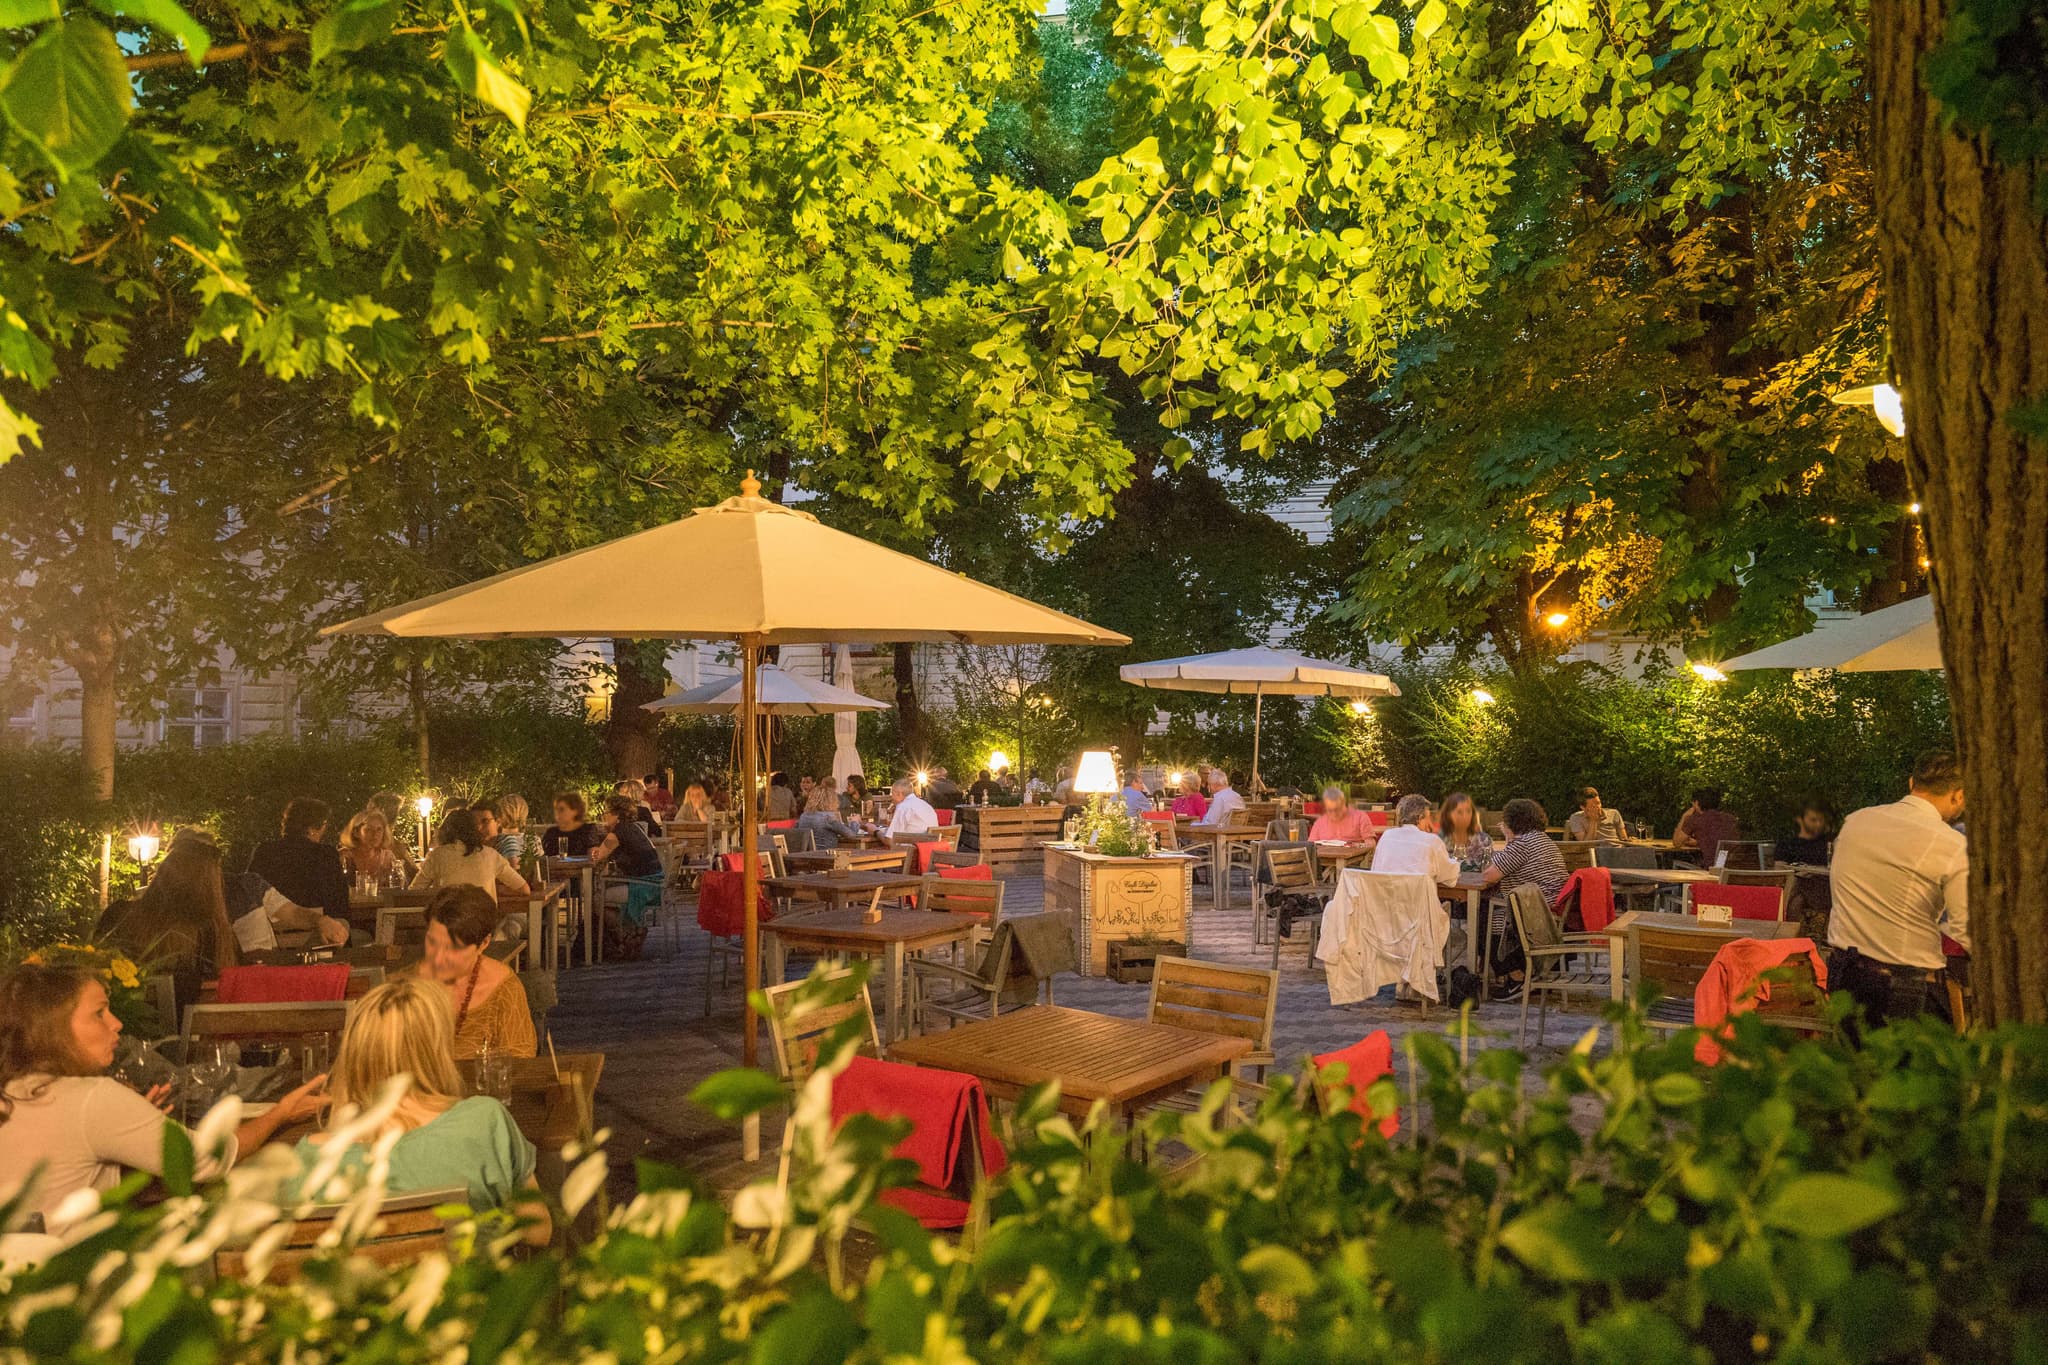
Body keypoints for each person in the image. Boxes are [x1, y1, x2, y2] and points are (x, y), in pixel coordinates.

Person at [0, 963, 326, 1236]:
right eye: (99, 1014)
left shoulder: (14, 1092)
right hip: (78, 1286)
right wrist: (280, 1113)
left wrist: (135, 1126)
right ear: (53, 1029)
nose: (117, 1024)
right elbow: (210, 1160)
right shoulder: (93, 1099)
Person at [290, 976, 546, 1238]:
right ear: (436, 1050)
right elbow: (539, 1232)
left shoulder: (306, 1160)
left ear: (355, 1054)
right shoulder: (485, 1122)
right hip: (471, 1278)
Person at [1825, 751, 1968, 1025]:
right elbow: (1966, 929)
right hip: (1906, 986)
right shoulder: (1951, 844)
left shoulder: (1855, 822)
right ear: (1957, 795)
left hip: (1845, 976)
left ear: (1911, 782)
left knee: (1854, 1064)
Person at [96, 836, 241, 1014]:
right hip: (192, 1032)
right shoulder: (215, 935)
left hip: (125, 1026)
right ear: (213, 884)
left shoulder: (119, 916)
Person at [417, 887, 535, 1059]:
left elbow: (519, 1063)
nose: (438, 957)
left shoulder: (504, 990)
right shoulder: (407, 985)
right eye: (432, 942)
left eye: (454, 948)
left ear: (484, 943)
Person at [1477, 798, 1568, 999]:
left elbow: (1488, 875)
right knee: (1486, 905)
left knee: (1481, 911)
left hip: (1532, 913)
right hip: (1550, 908)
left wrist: (1509, 839)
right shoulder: (1543, 840)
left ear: (1511, 822)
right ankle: (1522, 974)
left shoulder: (1522, 845)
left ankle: (1517, 977)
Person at [249, 798, 352, 927]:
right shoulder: (325, 854)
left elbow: (250, 893)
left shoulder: (264, 851)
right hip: (318, 934)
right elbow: (339, 900)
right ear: (314, 827)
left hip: (271, 933)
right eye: (325, 823)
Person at [411, 809, 530, 906]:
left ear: (444, 832)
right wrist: (496, 890)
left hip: (449, 925)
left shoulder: (437, 855)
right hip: (483, 926)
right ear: (475, 830)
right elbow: (524, 889)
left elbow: (413, 893)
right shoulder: (491, 855)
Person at [1368, 794, 1461, 889]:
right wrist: (1457, 863)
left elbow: (1375, 871)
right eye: (1428, 817)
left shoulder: (1386, 837)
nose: (1429, 821)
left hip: (1386, 901)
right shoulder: (1431, 841)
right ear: (1420, 818)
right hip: (1420, 903)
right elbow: (1449, 878)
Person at [341, 807, 415, 885]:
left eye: (379, 829)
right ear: (356, 832)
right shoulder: (344, 857)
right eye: (369, 830)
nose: (375, 834)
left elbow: (401, 886)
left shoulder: (388, 857)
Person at [1672, 787, 1739, 864]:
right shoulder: (1731, 818)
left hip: (1712, 869)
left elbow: (1677, 843)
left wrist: (1684, 817)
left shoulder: (1695, 820)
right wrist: (1698, 842)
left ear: (1696, 803)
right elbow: (1720, 840)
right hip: (1732, 866)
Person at [798, 785, 869, 850]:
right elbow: (851, 835)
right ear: (831, 800)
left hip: (807, 856)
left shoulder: (803, 816)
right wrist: (855, 821)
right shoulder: (828, 817)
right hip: (826, 856)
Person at [1437, 792, 1494, 872]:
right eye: (1459, 812)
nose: (1465, 816)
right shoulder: (1438, 840)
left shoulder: (1484, 840)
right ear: (1448, 815)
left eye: (1468, 811)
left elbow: (1489, 870)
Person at [1774, 800, 1835, 867]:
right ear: (1799, 819)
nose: (1818, 824)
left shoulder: (1830, 843)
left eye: (1821, 820)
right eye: (1813, 820)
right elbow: (1781, 874)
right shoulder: (1786, 845)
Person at [542, 792, 602, 858]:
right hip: (556, 868)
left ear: (575, 810)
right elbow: (546, 859)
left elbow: (593, 858)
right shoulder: (551, 832)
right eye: (556, 809)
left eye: (561, 809)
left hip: (581, 867)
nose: (557, 813)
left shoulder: (587, 830)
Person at [1308, 787, 1375, 844]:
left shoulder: (1360, 817)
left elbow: (1371, 844)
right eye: (1330, 810)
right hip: (1325, 857)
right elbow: (1310, 847)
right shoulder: (1319, 823)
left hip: (1354, 857)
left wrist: (1356, 846)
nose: (1334, 814)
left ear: (1344, 803)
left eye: (1337, 809)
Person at [477, 794, 530, 867]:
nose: (478, 827)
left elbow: (514, 867)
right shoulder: (533, 840)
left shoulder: (506, 841)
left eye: (485, 821)